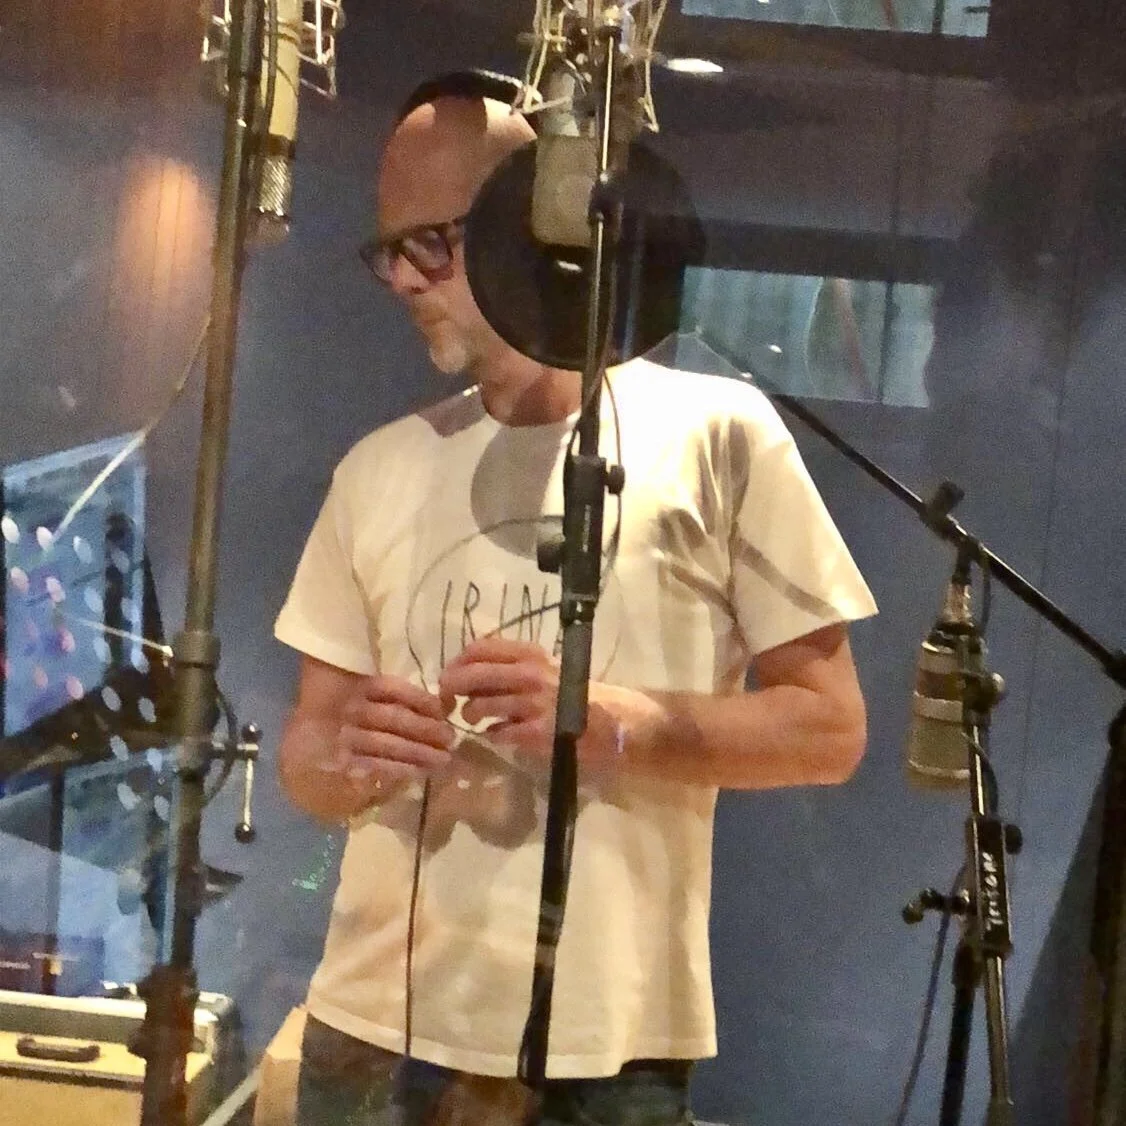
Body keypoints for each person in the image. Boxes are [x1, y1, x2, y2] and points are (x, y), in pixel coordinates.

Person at [273, 73, 878, 1126]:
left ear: (534, 224)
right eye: (388, 253)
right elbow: (306, 754)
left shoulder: (719, 435)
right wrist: (349, 755)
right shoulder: (376, 468)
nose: (404, 280)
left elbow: (828, 730)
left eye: (433, 244)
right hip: (371, 1034)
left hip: (603, 1050)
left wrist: (613, 722)